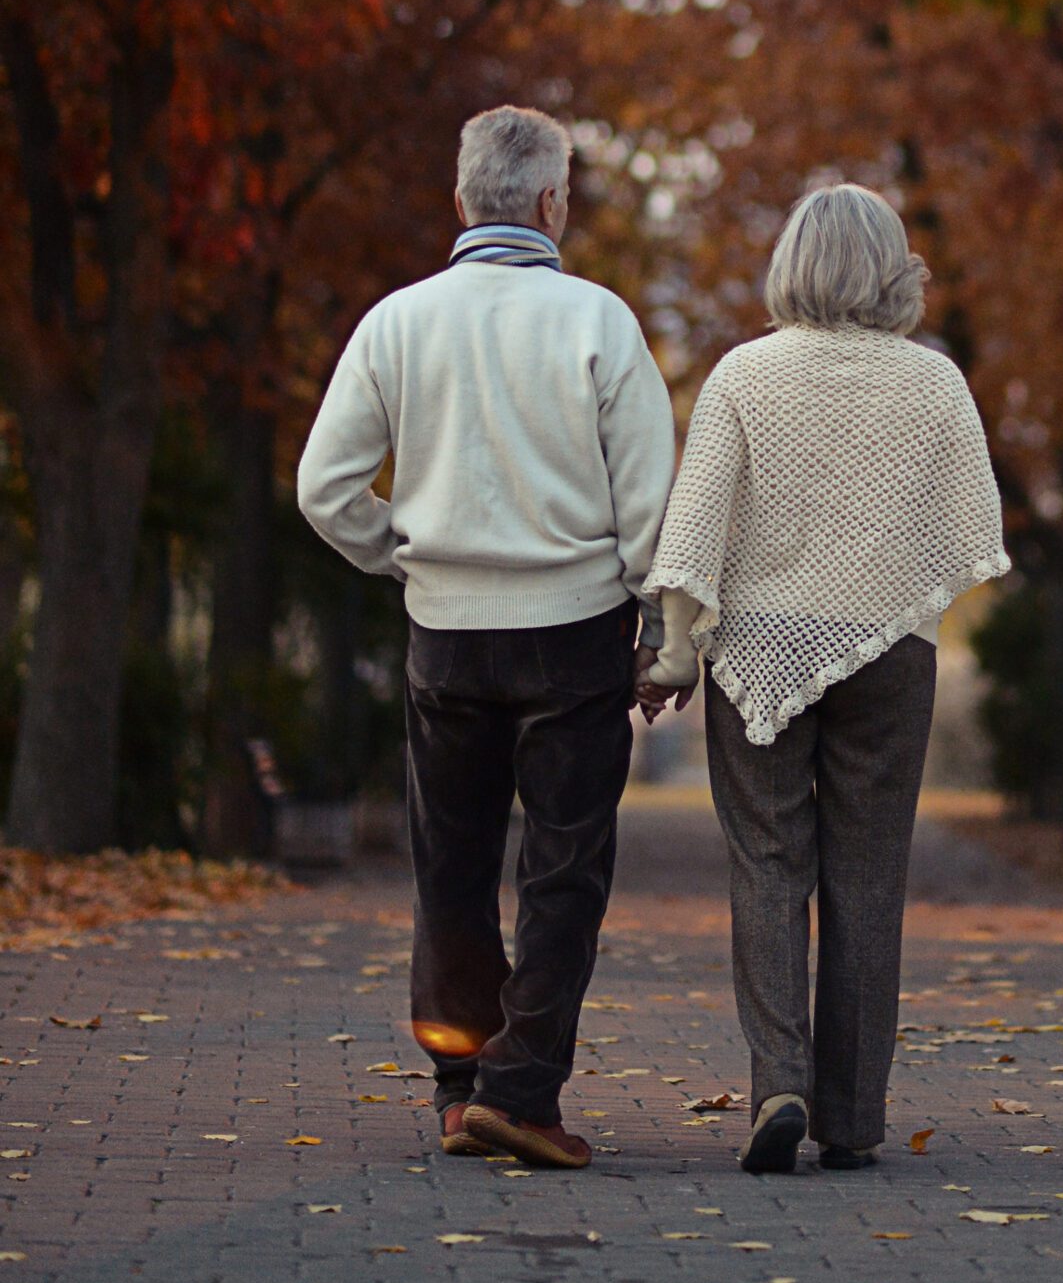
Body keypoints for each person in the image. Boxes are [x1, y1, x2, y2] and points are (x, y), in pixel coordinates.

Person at [297, 104, 675, 1170]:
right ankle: (524, 1089)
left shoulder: (395, 323)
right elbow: (650, 509)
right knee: (562, 871)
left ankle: (461, 1087)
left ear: (460, 200)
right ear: (555, 203)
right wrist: (656, 624)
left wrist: (403, 553)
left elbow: (324, 488)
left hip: (445, 634)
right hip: (573, 635)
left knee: (449, 867)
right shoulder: (601, 321)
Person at [638, 183, 1008, 1175]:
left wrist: (675, 651)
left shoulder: (744, 376)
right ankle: (851, 1112)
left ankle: (779, 1084)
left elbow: (694, 531)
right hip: (889, 647)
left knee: (767, 863)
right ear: (894, 270)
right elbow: (967, 522)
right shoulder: (933, 384)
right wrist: (897, 589)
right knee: (868, 875)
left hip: (757, 641)